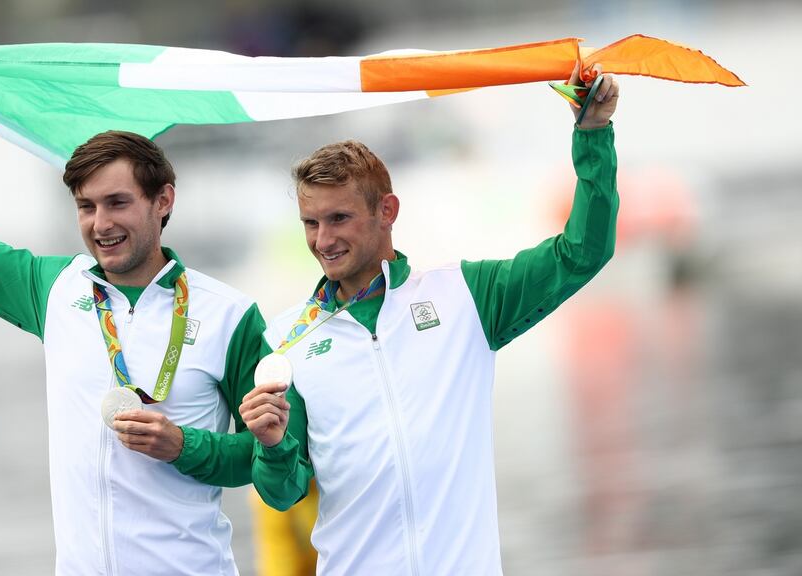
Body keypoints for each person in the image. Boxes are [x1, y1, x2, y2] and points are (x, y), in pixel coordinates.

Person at [0, 44, 267, 575]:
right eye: (86, 206)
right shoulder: (54, 291)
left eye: (118, 203)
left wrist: (183, 446)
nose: (101, 224)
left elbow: (270, 462)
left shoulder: (232, 315)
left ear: (162, 200)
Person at [240, 65, 620, 575]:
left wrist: (592, 134)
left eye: (339, 219)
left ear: (387, 210)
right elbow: (283, 494)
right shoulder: (286, 340)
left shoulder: (465, 296)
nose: (322, 240)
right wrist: (271, 445)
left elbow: (582, 252)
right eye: (311, 223)